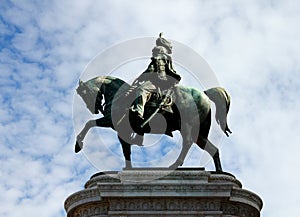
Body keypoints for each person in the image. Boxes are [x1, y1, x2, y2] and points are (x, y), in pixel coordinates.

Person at [129, 33, 181, 132]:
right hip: (165, 79)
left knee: (141, 89)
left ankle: (138, 111)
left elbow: (155, 67)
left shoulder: (160, 50)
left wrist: (142, 76)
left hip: (159, 81)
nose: (153, 52)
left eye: (154, 51)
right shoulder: (165, 53)